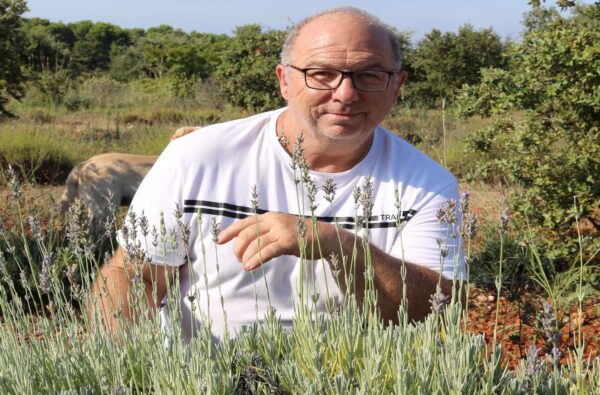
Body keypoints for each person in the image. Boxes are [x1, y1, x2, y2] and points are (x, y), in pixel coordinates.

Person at [89, 7, 465, 341]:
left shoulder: (429, 185)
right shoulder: (196, 157)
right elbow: (137, 276)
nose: (346, 93)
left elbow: (435, 310)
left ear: (397, 85)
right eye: (322, 74)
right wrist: (124, 366)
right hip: (204, 379)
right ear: (285, 80)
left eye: (369, 75)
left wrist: (339, 246)